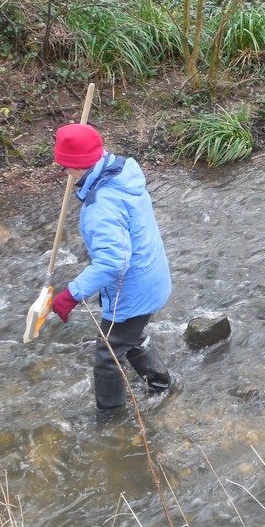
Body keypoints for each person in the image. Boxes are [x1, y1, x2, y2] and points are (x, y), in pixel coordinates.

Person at [50, 122, 173, 410]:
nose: (65, 173)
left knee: (108, 354)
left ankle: (111, 420)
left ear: (77, 166)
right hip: (151, 274)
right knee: (130, 336)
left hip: (133, 289)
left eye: (65, 166)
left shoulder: (101, 205)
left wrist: (72, 295)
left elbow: (113, 262)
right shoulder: (122, 172)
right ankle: (162, 384)